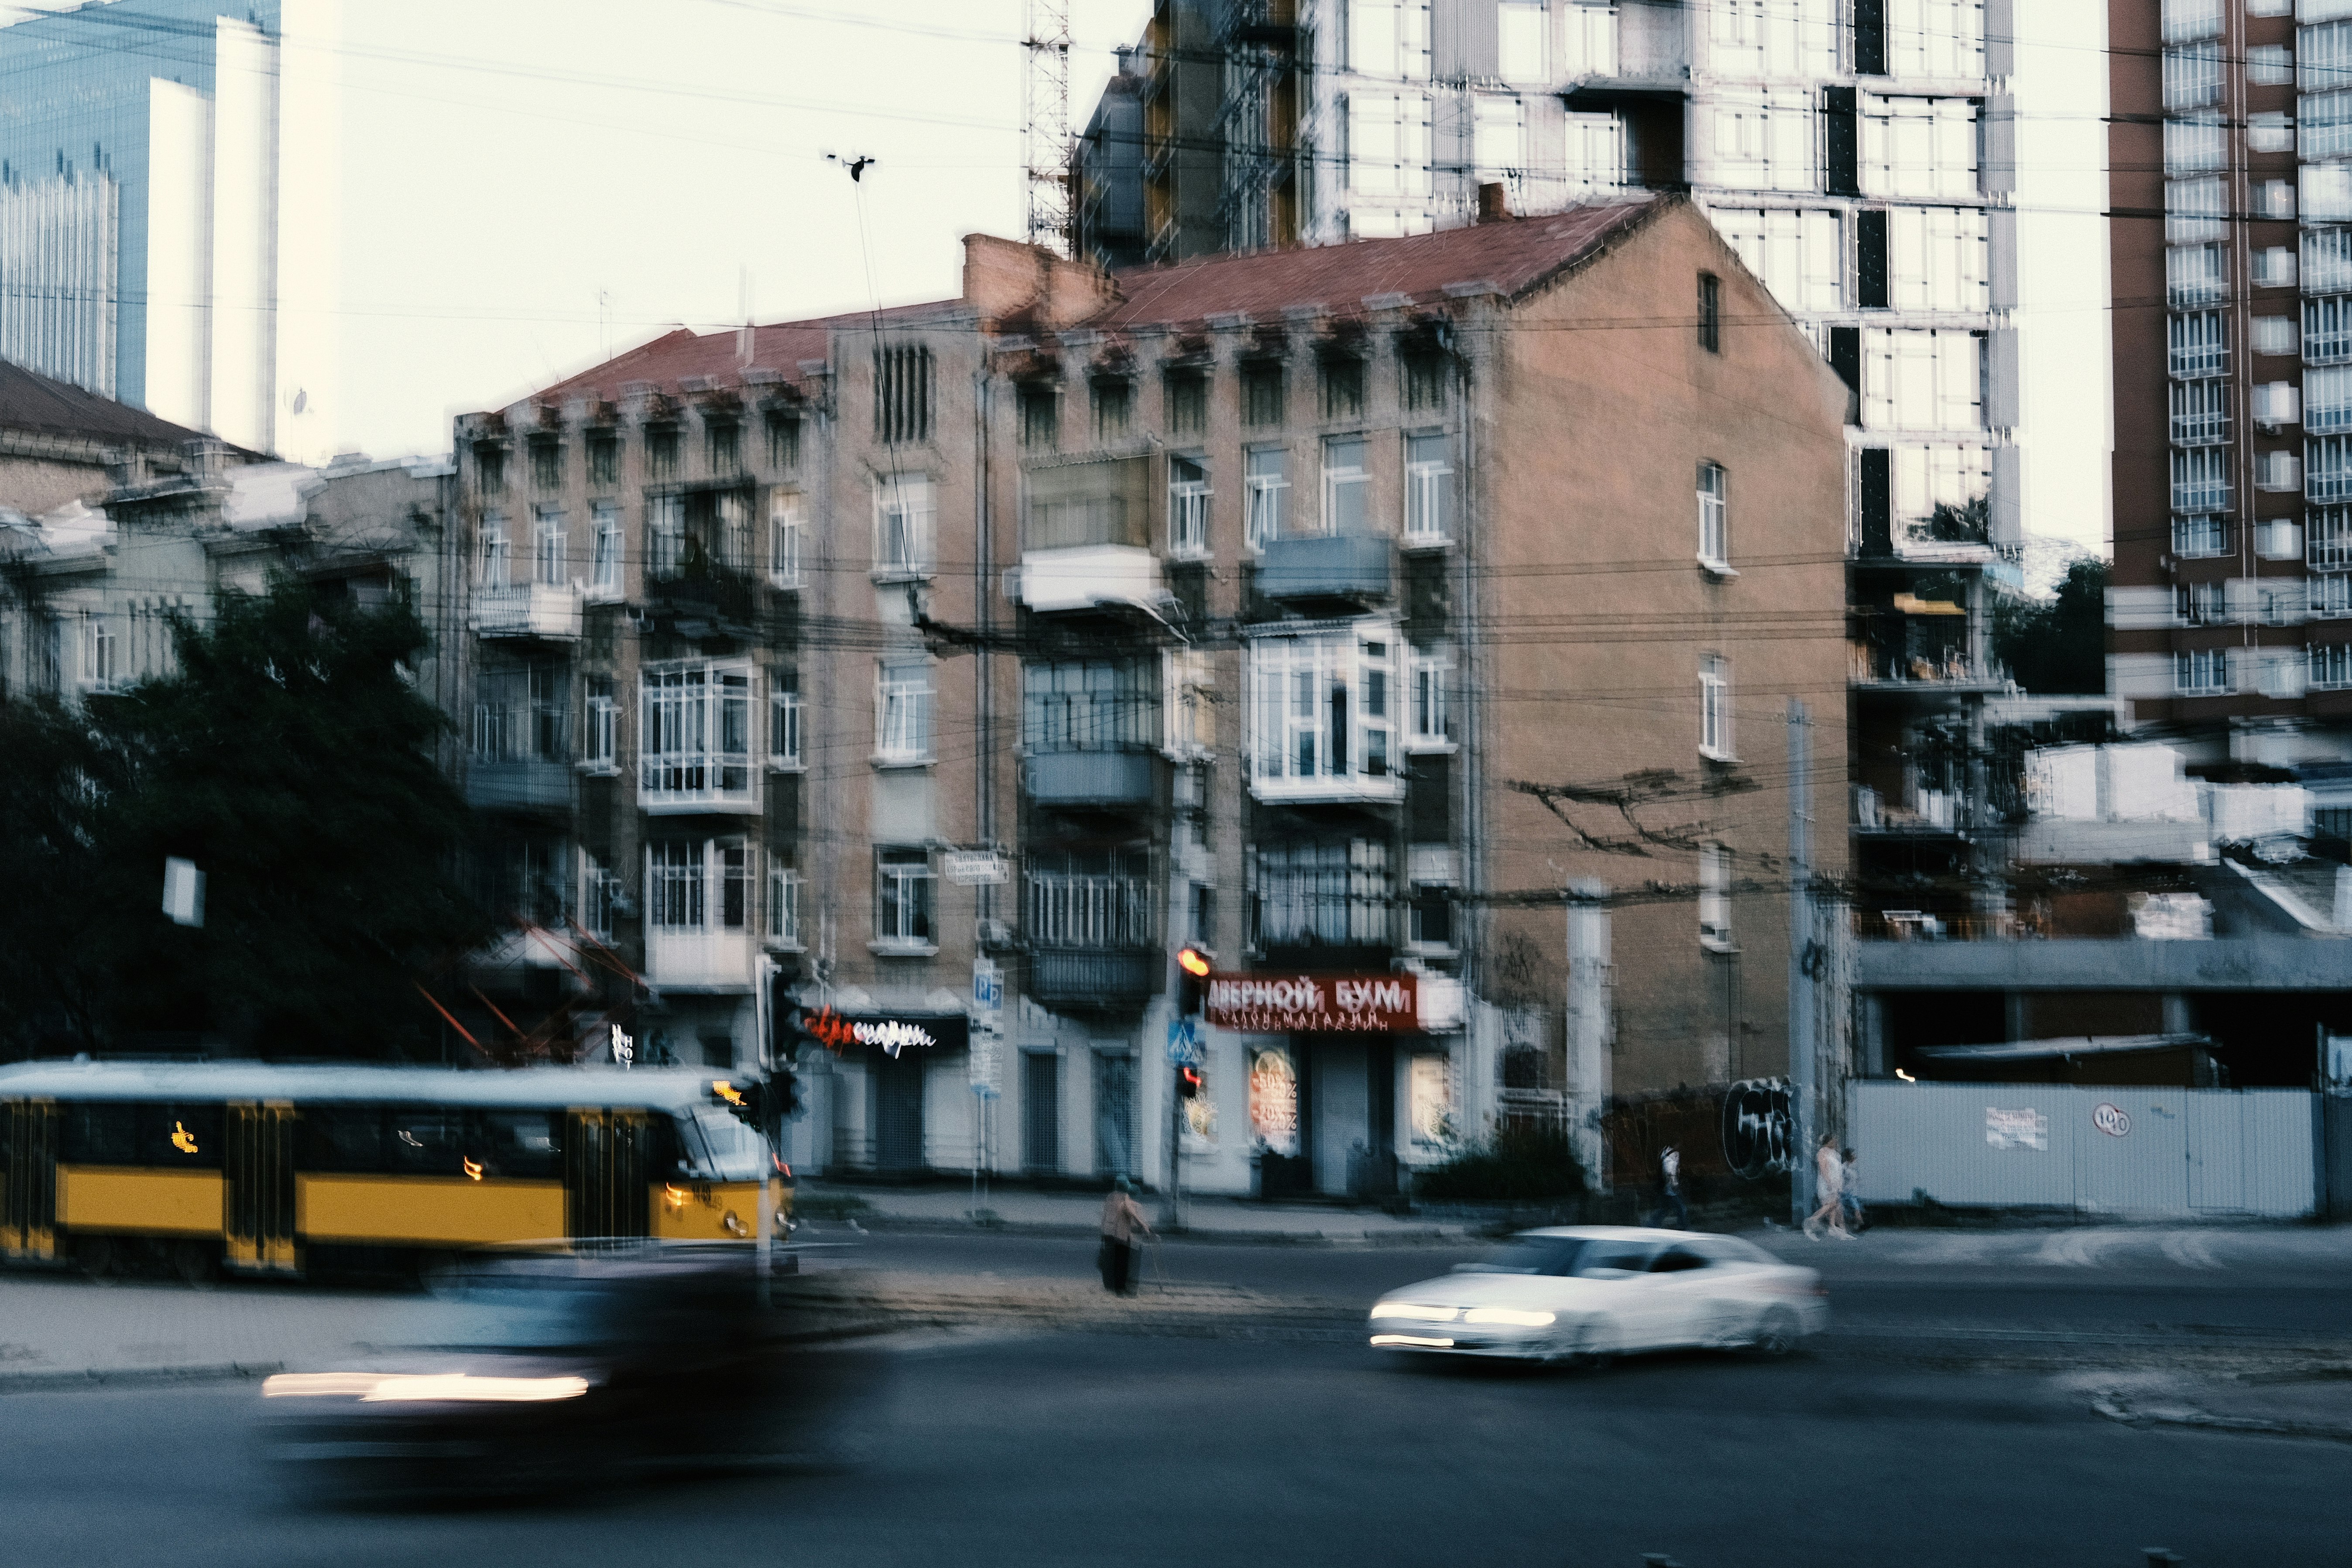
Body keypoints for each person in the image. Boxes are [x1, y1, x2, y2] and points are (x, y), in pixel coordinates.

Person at [1098, 1177, 1151, 1294]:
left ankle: (1111, 1286)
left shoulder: (1110, 1197)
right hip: (1122, 1237)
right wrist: (1144, 1226)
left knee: (1111, 1262)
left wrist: (1103, 1232)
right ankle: (1122, 1289)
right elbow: (1132, 1214)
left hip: (1109, 1233)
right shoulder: (1126, 1199)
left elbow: (1104, 1216)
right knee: (1123, 1264)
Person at [1803, 1133, 1849, 1241]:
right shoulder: (1822, 1153)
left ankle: (1832, 1227)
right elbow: (1824, 1170)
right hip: (1826, 1184)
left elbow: (1838, 1171)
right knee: (1832, 1204)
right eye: (1833, 1141)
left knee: (1834, 1205)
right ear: (1828, 1142)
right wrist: (1829, 1183)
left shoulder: (1835, 1154)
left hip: (1835, 1184)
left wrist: (1839, 1185)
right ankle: (1812, 1220)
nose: (1836, 1142)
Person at [1645, 1143, 1687, 1229]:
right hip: (1671, 1190)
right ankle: (1683, 1226)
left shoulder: (1666, 1154)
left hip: (1668, 1189)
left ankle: (1651, 1224)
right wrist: (1674, 1185)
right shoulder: (1671, 1157)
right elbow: (1670, 1173)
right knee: (1680, 1208)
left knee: (1665, 1209)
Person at [1839, 1148, 1865, 1234]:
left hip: (1853, 1193)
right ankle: (1861, 1225)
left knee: (1855, 1209)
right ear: (1849, 1156)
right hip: (1846, 1193)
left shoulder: (1854, 1166)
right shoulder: (1844, 1168)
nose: (1855, 1156)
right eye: (1853, 1154)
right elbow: (1840, 1179)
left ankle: (1859, 1225)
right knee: (1854, 1209)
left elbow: (1857, 1179)